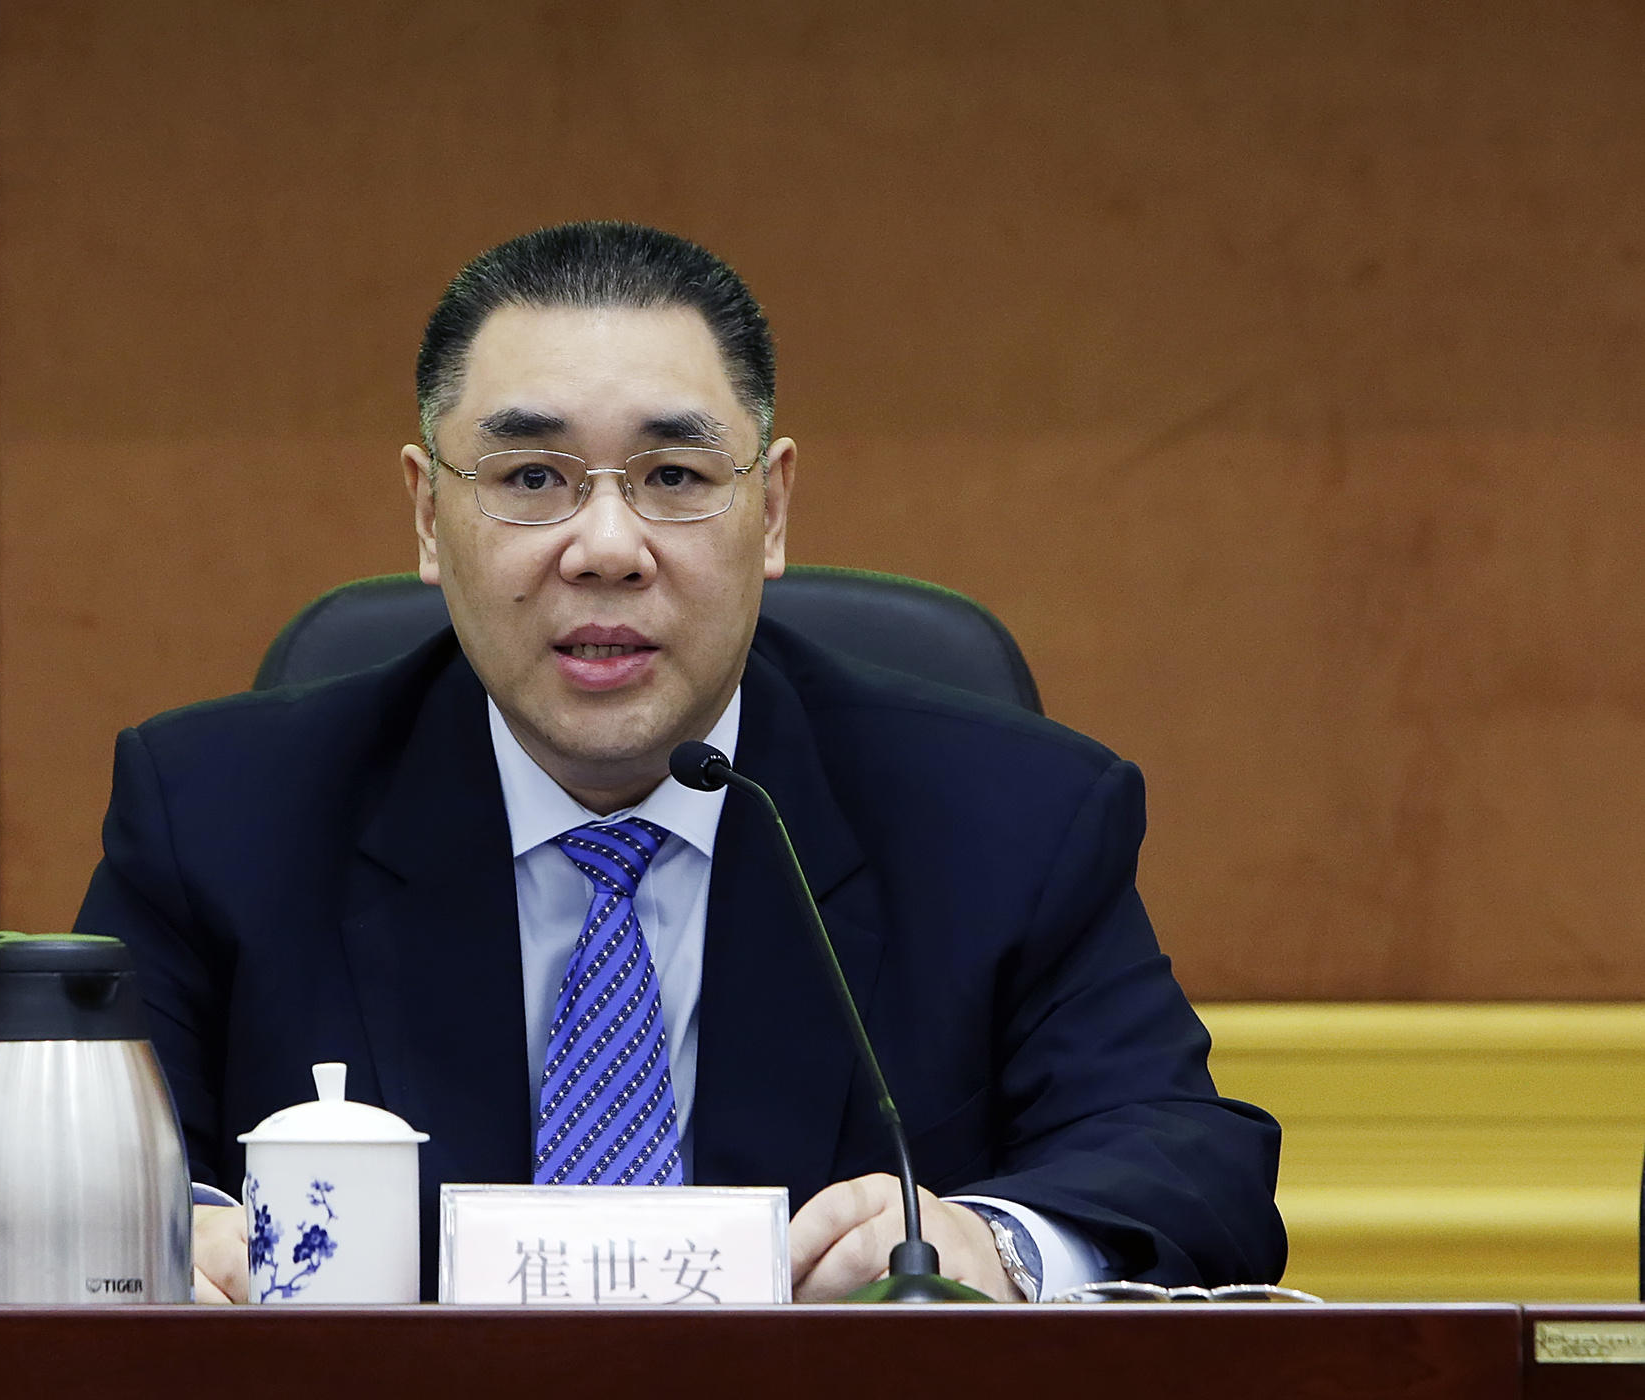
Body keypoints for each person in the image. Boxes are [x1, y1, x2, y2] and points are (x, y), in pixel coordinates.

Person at [73, 222, 1286, 1304]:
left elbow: (1195, 1163)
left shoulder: (1011, 820)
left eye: (674, 478)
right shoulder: (218, 816)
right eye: (532, 478)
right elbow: (60, 1153)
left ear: (774, 509)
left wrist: (992, 1244)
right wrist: (174, 1233)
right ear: (429, 515)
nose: (607, 547)